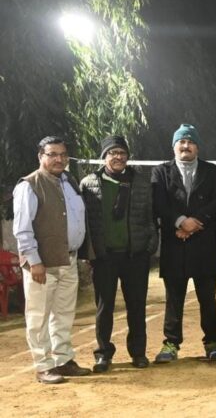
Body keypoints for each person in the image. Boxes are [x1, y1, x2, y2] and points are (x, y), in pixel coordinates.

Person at [13, 136, 94, 383]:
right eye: (52, 154)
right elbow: (22, 229)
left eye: (63, 154)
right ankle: (43, 365)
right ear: (41, 157)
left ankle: (63, 360)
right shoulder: (29, 185)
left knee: (64, 315)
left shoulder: (69, 182)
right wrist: (34, 262)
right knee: (38, 316)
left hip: (68, 261)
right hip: (42, 264)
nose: (59, 159)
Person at [80, 135, 157, 372]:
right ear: (104, 156)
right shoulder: (89, 184)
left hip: (135, 256)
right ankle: (103, 354)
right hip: (104, 257)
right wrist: (90, 252)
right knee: (104, 308)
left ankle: (138, 352)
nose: (118, 157)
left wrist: (149, 246)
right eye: (113, 153)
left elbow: (151, 216)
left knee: (137, 306)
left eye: (122, 153)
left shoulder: (141, 183)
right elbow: (85, 221)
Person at [151, 124, 216, 363]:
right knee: (174, 299)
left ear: (197, 147)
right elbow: (159, 203)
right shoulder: (160, 172)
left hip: (204, 244)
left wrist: (196, 222)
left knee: (207, 299)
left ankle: (212, 342)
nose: (186, 146)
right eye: (181, 142)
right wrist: (181, 222)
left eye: (190, 142)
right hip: (175, 244)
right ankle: (171, 343)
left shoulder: (212, 171)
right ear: (174, 146)